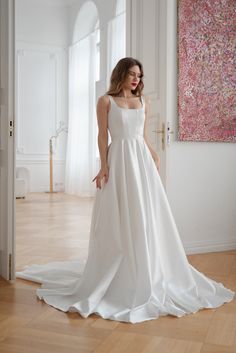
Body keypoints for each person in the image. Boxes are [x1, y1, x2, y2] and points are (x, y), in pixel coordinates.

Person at [16, 57, 235, 324]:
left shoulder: (144, 102)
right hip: (119, 160)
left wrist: (153, 155)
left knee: (146, 212)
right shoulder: (105, 101)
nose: (136, 79)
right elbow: (102, 135)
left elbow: (142, 136)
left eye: (139, 76)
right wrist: (104, 166)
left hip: (140, 160)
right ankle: (120, 266)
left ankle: (147, 265)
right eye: (132, 74)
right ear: (120, 74)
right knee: (119, 215)